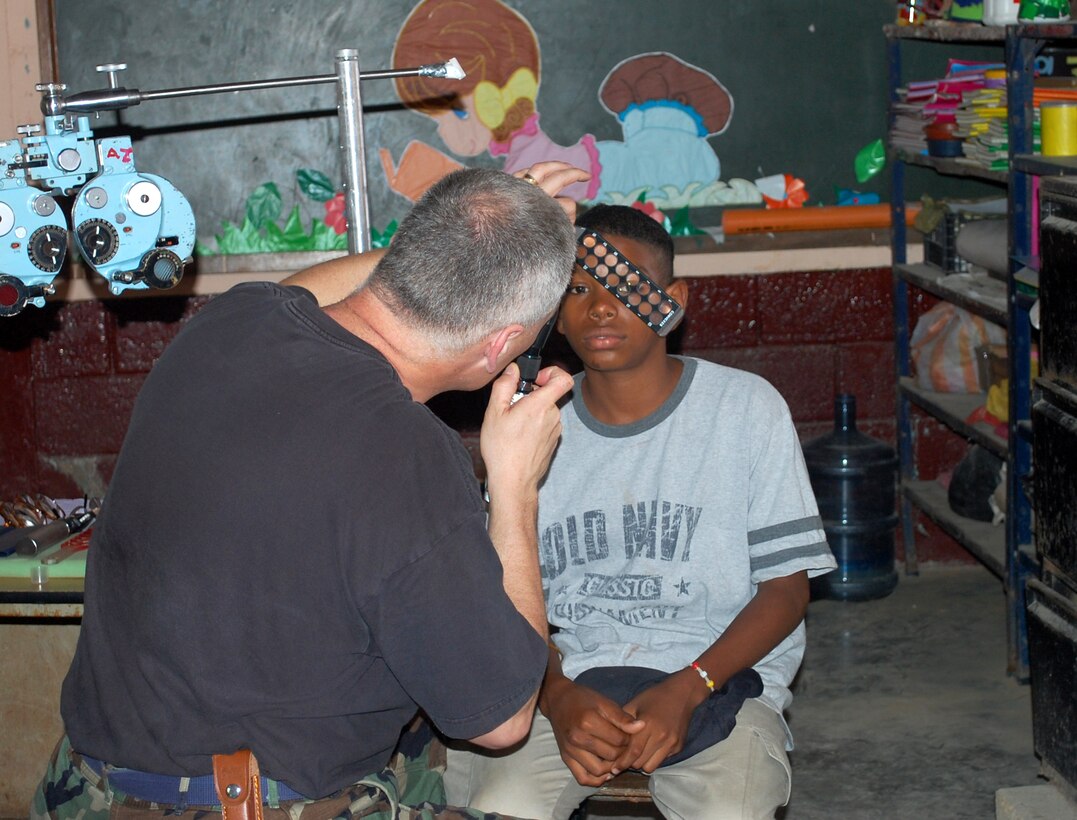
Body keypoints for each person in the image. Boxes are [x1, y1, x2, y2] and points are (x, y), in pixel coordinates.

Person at [31, 162, 591, 820]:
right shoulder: (409, 454)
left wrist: (484, 231)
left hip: (82, 788)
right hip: (246, 804)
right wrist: (515, 483)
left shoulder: (230, 323)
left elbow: (321, 287)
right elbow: (501, 718)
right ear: (501, 347)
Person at [444, 204, 837, 819]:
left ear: (672, 302)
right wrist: (554, 695)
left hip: (721, 675)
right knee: (500, 804)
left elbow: (786, 591)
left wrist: (689, 687)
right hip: (570, 681)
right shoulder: (528, 428)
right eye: (579, 290)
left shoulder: (744, 409)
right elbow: (504, 603)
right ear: (554, 311)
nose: (601, 308)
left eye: (628, 287)